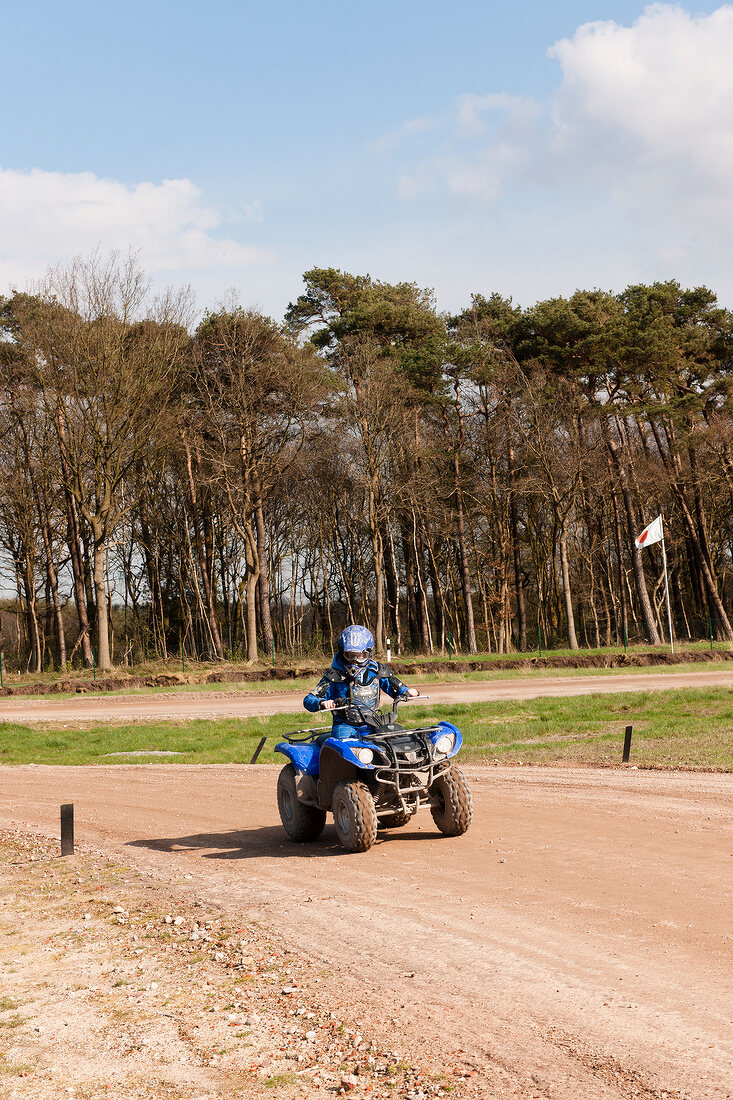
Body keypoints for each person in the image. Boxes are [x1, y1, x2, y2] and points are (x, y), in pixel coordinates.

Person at [303, 624, 419, 739]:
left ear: (369, 653)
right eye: (350, 655)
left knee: (393, 740)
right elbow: (309, 700)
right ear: (342, 652)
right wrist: (322, 703)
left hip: (374, 721)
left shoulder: (377, 671)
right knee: (345, 745)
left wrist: (407, 691)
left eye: (360, 656)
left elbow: (394, 686)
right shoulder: (334, 675)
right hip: (345, 726)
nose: (354, 661)